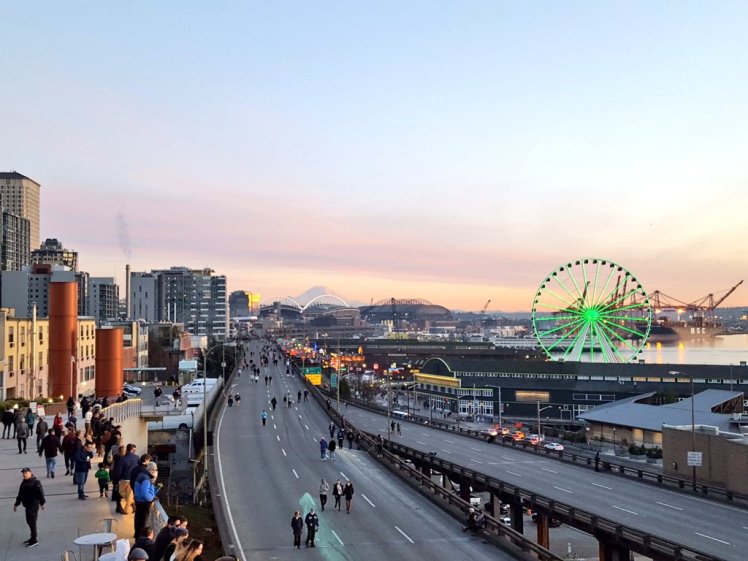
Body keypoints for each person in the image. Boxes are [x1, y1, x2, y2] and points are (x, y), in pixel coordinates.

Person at [13, 467, 45, 547]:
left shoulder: (36, 482)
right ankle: (32, 538)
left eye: (26, 473)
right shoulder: (23, 482)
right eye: (23, 473)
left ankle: (34, 540)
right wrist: (16, 504)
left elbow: (40, 493)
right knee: (29, 521)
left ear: (30, 473)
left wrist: (42, 503)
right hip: (27, 505)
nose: (24, 474)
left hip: (33, 505)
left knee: (32, 522)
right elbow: (20, 494)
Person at [134, 462, 160, 538]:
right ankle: (140, 538)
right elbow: (145, 494)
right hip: (143, 503)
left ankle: (137, 535)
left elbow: (147, 491)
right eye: (155, 470)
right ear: (152, 470)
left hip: (138, 501)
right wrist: (152, 498)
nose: (155, 472)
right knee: (142, 522)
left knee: (138, 520)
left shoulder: (142, 475)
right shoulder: (146, 479)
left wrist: (156, 489)